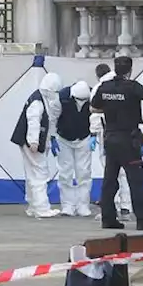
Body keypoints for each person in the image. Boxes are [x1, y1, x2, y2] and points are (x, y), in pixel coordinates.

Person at [91, 55, 143, 231]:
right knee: (135, 181)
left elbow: (94, 106)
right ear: (130, 70)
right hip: (128, 140)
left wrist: (111, 108)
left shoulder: (105, 87)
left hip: (110, 138)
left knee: (110, 180)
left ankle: (108, 218)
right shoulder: (132, 87)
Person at [10, 72, 64, 219]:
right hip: (32, 143)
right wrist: (33, 141)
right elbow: (33, 122)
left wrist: (51, 138)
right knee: (40, 173)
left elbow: (49, 120)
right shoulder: (38, 102)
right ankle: (42, 207)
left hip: (30, 141)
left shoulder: (41, 98)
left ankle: (33, 206)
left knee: (31, 174)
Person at [89, 62, 131, 221]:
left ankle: (110, 208)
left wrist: (93, 134)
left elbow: (95, 112)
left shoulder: (101, 88)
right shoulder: (126, 85)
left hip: (107, 133)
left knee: (111, 173)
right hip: (126, 132)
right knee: (125, 172)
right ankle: (126, 208)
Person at [55, 80, 94, 218]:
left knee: (84, 172)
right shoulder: (61, 97)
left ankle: (83, 205)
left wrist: (94, 135)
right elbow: (53, 117)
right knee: (65, 172)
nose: (81, 102)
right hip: (64, 139)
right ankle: (67, 205)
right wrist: (52, 136)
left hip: (84, 138)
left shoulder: (93, 94)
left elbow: (97, 116)